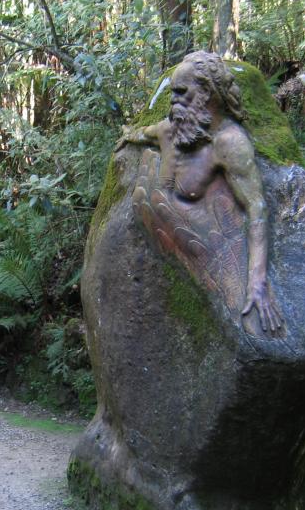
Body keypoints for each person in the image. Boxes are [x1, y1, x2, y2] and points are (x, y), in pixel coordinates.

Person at [116, 51, 283, 334]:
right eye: (172, 94)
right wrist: (126, 135)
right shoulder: (168, 131)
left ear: (206, 92)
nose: (173, 101)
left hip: (204, 244)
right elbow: (140, 134)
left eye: (182, 92)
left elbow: (256, 207)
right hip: (162, 247)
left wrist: (257, 280)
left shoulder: (229, 144)